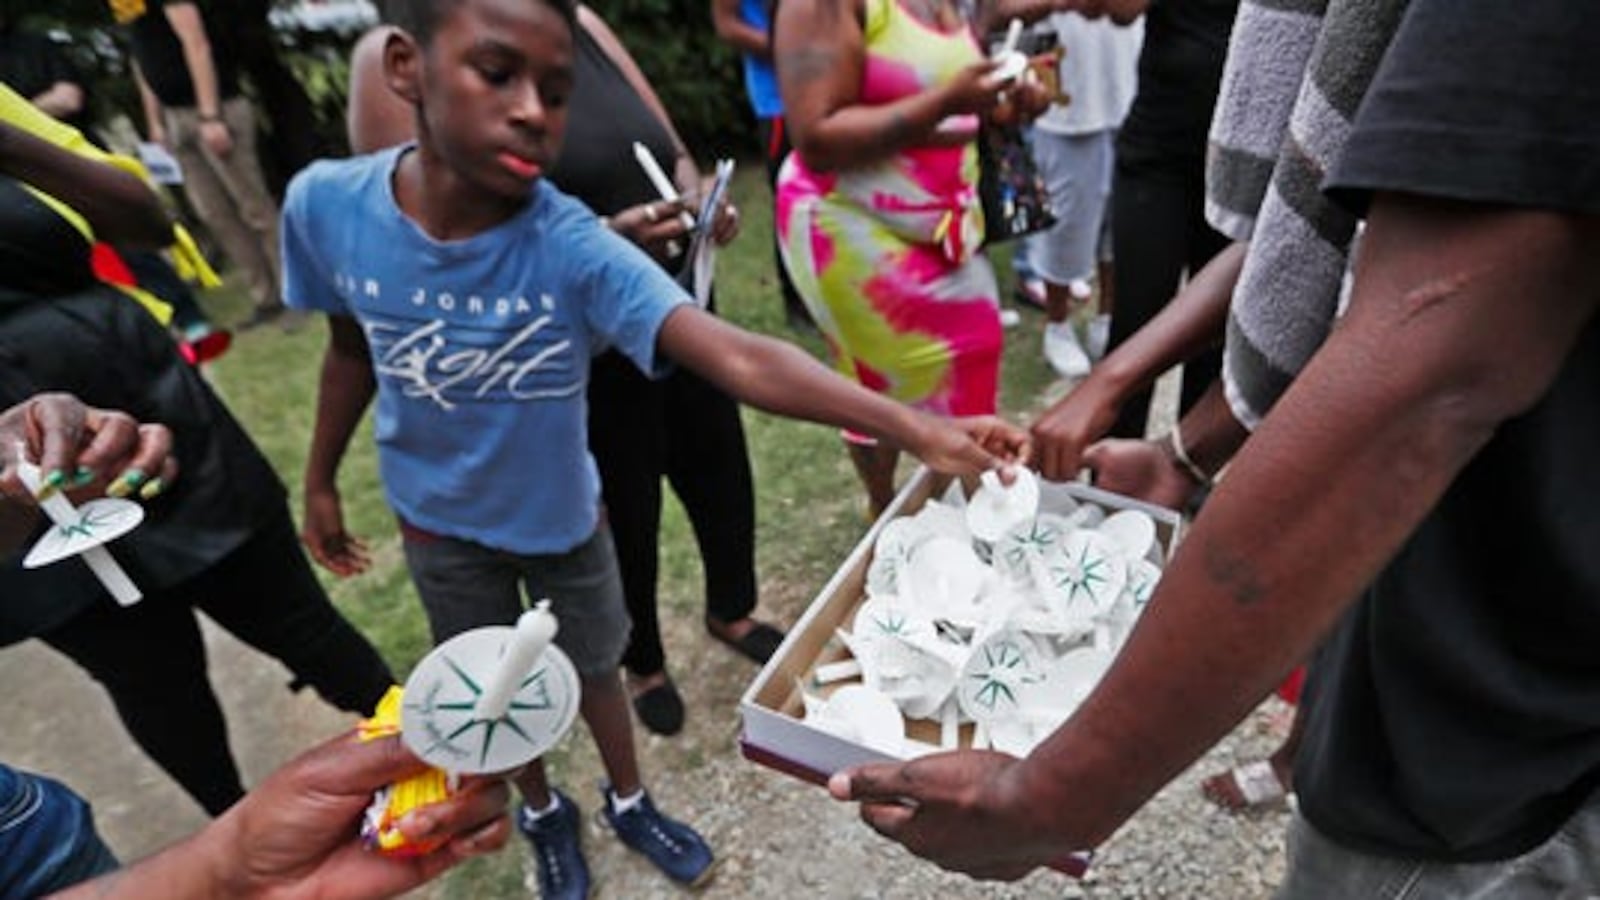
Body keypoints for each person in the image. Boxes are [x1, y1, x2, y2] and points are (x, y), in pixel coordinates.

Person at [828, 0, 1600, 893]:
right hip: (1452, 619)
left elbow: (1429, 365)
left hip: (1506, 742)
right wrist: (1184, 449)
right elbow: (1335, 226)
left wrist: (1057, 793)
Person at [284, 2, 1030, 898]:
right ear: (407, 69)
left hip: (565, 519)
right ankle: (542, 811)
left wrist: (918, 427)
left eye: (557, 94)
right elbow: (346, 347)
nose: (534, 112)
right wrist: (320, 479)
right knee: (496, 694)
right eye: (498, 74)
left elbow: (738, 353)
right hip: (438, 530)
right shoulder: (326, 205)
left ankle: (629, 798)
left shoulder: (570, 244)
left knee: (599, 669)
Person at [346, 5, 783, 741]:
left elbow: (668, 144)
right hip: (573, 354)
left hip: (677, 303)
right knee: (625, 512)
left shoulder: (577, 19)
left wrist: (695, 195)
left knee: (719, 474)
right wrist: (605, 243)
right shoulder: (397, 53)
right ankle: (642, 661)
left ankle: (730, 608)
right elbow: (423, 240)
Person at [0, 104, 397, 820]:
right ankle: (238, 837)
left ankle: (435, 752)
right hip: (15, 497)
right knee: (149, 677)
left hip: (143, 403)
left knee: (292, 613)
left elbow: (144, 220)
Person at [773, 0, 1050, 517]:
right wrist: (948, 99)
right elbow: (815, 138)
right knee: (880, 388)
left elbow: (951, 108)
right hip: (851, 228)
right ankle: (895, 513)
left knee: (973, 360)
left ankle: (955, 519)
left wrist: (1003, 102)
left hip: (945, 226)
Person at [1102, 0, 1236, 439]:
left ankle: (1184, 482)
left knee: (1214, 336)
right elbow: (1119, 9)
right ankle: (1106, 493)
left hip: (1238, 168)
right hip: (1158, 159)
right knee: (1135, 326)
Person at [108, 0, 287, 330]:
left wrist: (210, 115)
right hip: (175, 118)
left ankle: (293, 293)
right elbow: (141, 55)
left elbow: (196, 42)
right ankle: (265, 296)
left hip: (212, 110)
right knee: (215, 214)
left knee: (254, 208)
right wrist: (156, 122)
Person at [1026, 9, 1141, 378]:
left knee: (1120, 222)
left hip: (1131, 90)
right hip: (1067, 104)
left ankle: (1106, 318)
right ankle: (1056, 325)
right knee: (1066, 223)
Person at [710, 0, 814, 333]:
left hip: (832, 88)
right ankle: (799, 304)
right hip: (778, 100)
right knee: (792, 199)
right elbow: (727, 25)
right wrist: (789, 49)